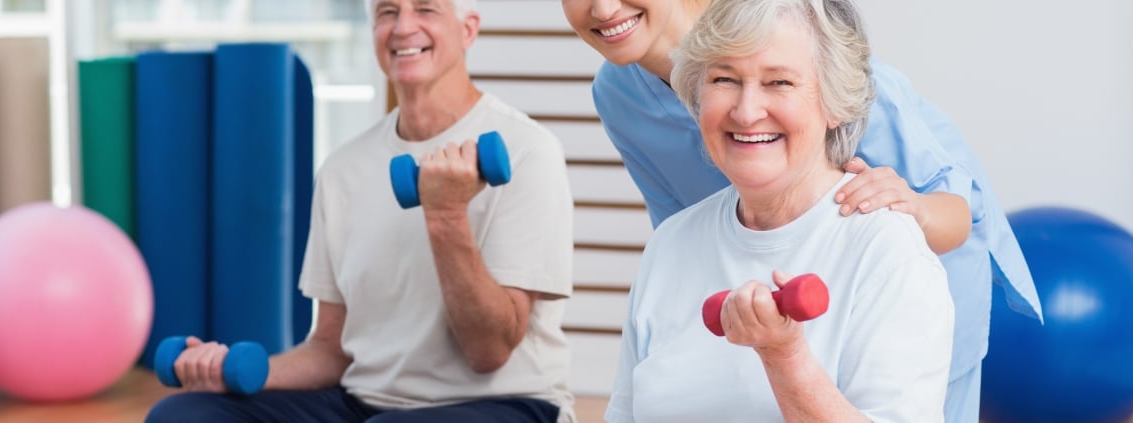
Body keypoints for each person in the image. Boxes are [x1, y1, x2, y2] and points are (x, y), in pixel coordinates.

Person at [560, 0, 1041, 420]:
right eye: (723, 80)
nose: (603, 9)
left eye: (777, 83)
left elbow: (956, 209)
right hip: (761, 258)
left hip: (910, 250)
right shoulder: (617, 95)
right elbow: (674, 227)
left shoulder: (810, 44)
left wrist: (909, 211)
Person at [146, 0, 576, 421]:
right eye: (387, 12)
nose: (403, 27)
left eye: (426, 9)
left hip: (507, 403)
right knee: (183, 414)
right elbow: (330, 351)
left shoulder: (527, 152)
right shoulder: (343, 169)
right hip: (364, 403)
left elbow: (490, 352)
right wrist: (229, 374)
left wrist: (445, 216)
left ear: (468, 30)